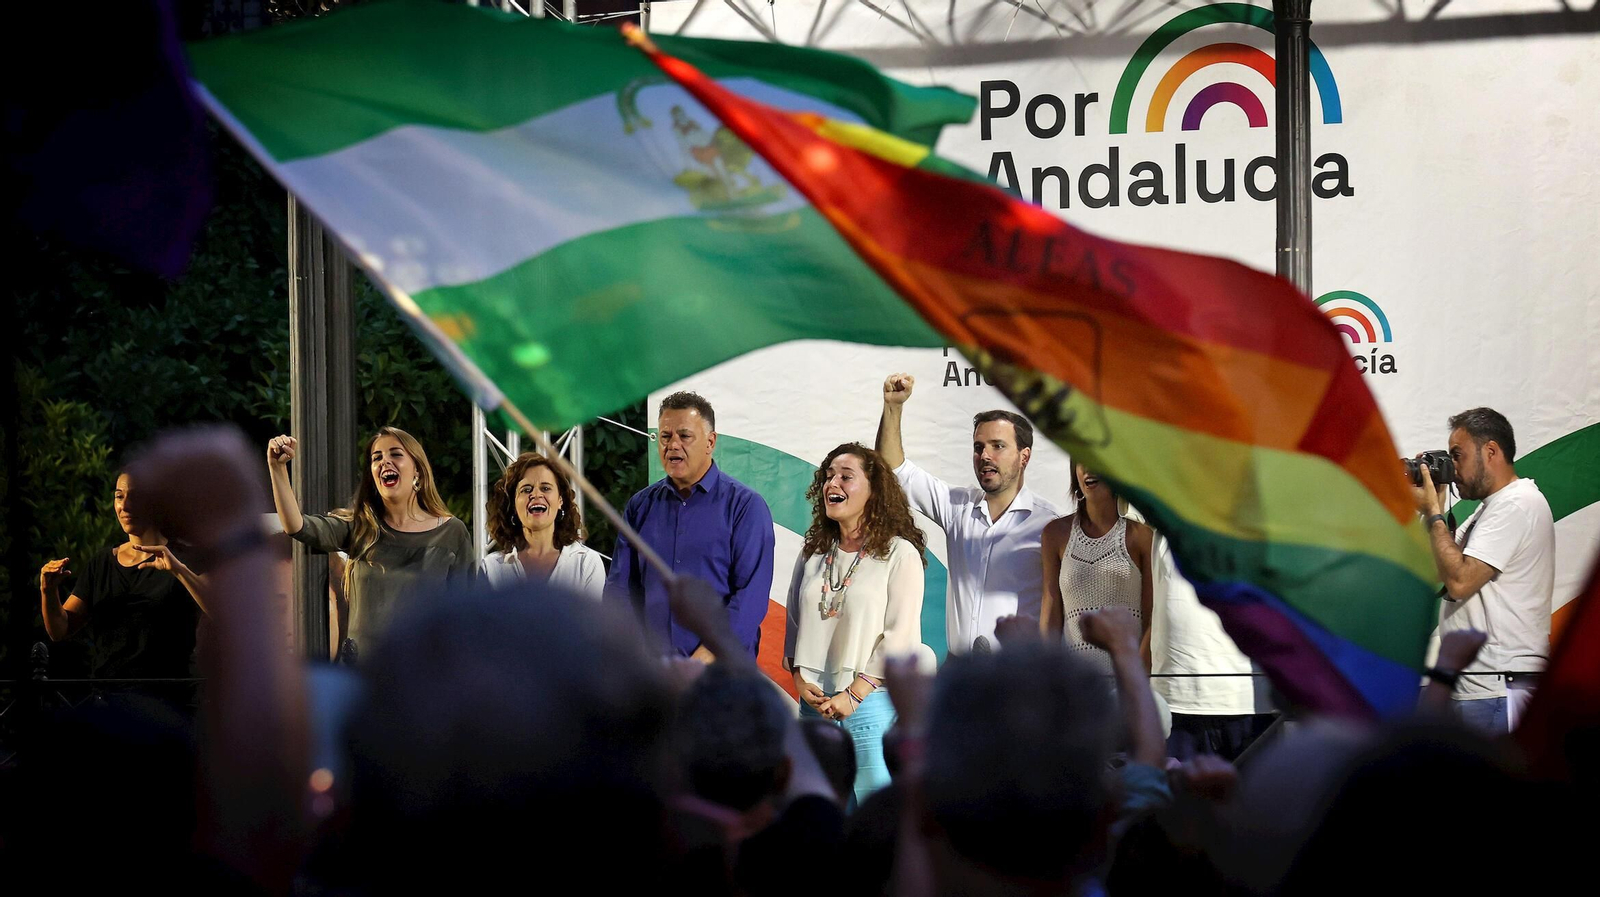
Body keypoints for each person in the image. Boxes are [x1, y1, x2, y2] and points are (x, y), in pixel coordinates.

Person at [875, 373, 1060, 654]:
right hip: (960, 677)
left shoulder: (1049, 524)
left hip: (1020, 680)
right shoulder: (958, 506)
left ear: (1025, 456)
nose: (985, 455)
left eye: (998, 446)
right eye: (978, 447)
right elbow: (894, 471)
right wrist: (893, 407)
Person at [785, 442, 926, 805]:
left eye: (846, 476)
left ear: (874, 489)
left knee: (873, 809)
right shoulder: (814, 551)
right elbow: (794, 620)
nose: (833, 483)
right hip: (813, 704)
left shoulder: (899, 553)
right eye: (829, 476)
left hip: (869, 704)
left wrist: (854, 694)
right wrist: (800, 678)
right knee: (815, 809)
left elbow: (901, 634)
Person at [267, 427, 474, 655]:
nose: (385, 462)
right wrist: (277, 468)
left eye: (395, 454)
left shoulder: (451, 532)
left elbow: (469, 614)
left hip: (422, 673)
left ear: (418, 471)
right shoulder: (359, 527)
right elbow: (296, 525)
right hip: (364, 674)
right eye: (377, 458)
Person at [1412, 407, 1555, 733]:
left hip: (1496, 686)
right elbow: (1433, 571)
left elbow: (1460, 582)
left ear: (1490, 451)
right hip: (1477, 685)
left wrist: (1435, 511)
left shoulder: (1517, 504)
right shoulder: (1488, 511)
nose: (1453, 468)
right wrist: (1430, 509)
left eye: (1457, 456)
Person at [605, 391, 775, 660]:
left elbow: (750, 599)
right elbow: (621, 590)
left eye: (684, 436)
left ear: (710, 442)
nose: (672, 445)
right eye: (665, 436)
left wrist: (702, 659)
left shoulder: (745, 507)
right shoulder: (640, 507)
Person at [38, 469, 209, 683]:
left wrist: (178, 570)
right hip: (109, 702)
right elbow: (59, 629)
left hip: (168, 703)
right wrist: (48, 591)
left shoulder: (185, 558)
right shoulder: (102, 564)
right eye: (119, 496)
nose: (125, 506)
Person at [1040, 459, 1154, 673]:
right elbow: (1051, 610)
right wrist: (1048, 676)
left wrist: (1138, 676)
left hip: (1126, 678)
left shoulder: (1140, 534)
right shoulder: (1055, 533)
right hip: (1076, 682)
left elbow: (1151, 616)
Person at [479, 451, 605, 599]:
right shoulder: (492, 568)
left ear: (560, 500)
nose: (536, 495)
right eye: (526, 490)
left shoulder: (585, 563)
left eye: (545, 488)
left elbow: (591, 621)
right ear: (513, 504)